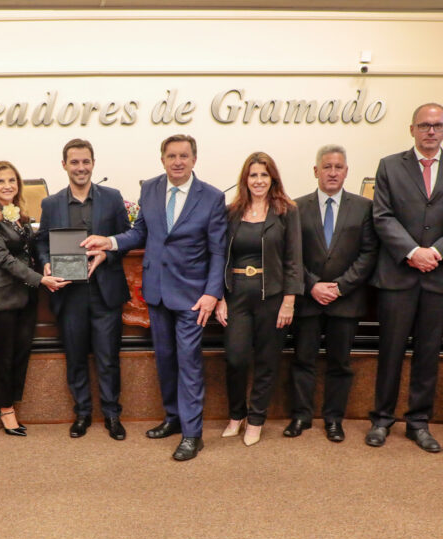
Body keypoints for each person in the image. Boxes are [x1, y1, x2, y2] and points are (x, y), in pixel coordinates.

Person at [83, 134, 227, 462]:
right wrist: (109, 242)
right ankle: (174, 418)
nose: (178, 161)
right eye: (171, 155)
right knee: (165, 359)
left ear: (194, 159)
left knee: (189, 362)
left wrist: (211, 293)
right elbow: (140, 233)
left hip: (193, 297)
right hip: (157, 292)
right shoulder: (150, 188)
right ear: (162, 159)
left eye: (184, 156)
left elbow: (219, 250)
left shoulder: (212, 198)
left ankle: (193, 434)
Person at [366, 103, 443, 452]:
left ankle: (418, 422)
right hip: (398, 275)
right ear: (412, 129)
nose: (431, 131)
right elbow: (382, 215)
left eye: (438, 125)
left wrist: (438, 252)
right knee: (391, 351)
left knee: (428, 352)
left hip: (439, 276)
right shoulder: (389, 165)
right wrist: (413, 252)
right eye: (425, 125)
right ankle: (382, 419)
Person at [35, 139, 131, 440]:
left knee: (108, 357)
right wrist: (46, 263)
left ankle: (113, 415)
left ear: (93, 163)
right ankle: (82, 414)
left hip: (105, 291)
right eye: (74, 162)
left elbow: (127, 238)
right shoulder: (51, 204)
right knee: (75, 356)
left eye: (86, 161)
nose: (81, 167)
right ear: (64, 165)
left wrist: (108, 253)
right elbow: (41, 241)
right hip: (70, 292)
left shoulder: (113, 198)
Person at [285, 145, 377, 443]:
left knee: (340, 363)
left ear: (346, 171)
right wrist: (312, 285)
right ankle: (300, 415)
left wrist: (340, 286)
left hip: (345, 300)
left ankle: (334, 419)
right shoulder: (295, 208)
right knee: (303, 360)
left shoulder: (364, 207)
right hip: (307, 299)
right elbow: (292, 255)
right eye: (327, 167)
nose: (333, 172)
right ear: (316, 171)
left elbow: (368, 253)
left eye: (338, 167)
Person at [0, 161, 69, 436]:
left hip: (26, 294)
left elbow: (28, 249)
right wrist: (41, 279)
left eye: (12, 181)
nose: (7, 186)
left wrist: (48, 264)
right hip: (3, 295)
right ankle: (5, 410)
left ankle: (9, 404)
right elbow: (2, 258)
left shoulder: (19, 214)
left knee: (21, 353)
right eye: (1, 181)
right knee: (5, 355)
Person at [216, 152, 303, 446]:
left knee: (267, 361)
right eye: (253, 175)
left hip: (273, 297)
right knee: (236, 358)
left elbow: (294, 259)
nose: (258, 181)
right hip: (236, 295)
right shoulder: (231, 213)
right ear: (245, 179)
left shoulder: (286, 211)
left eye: (264, 175)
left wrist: (289, 300)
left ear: (273, 179)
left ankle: (256, 420)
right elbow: (219, 258)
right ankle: (236, 415)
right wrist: (220, 297)